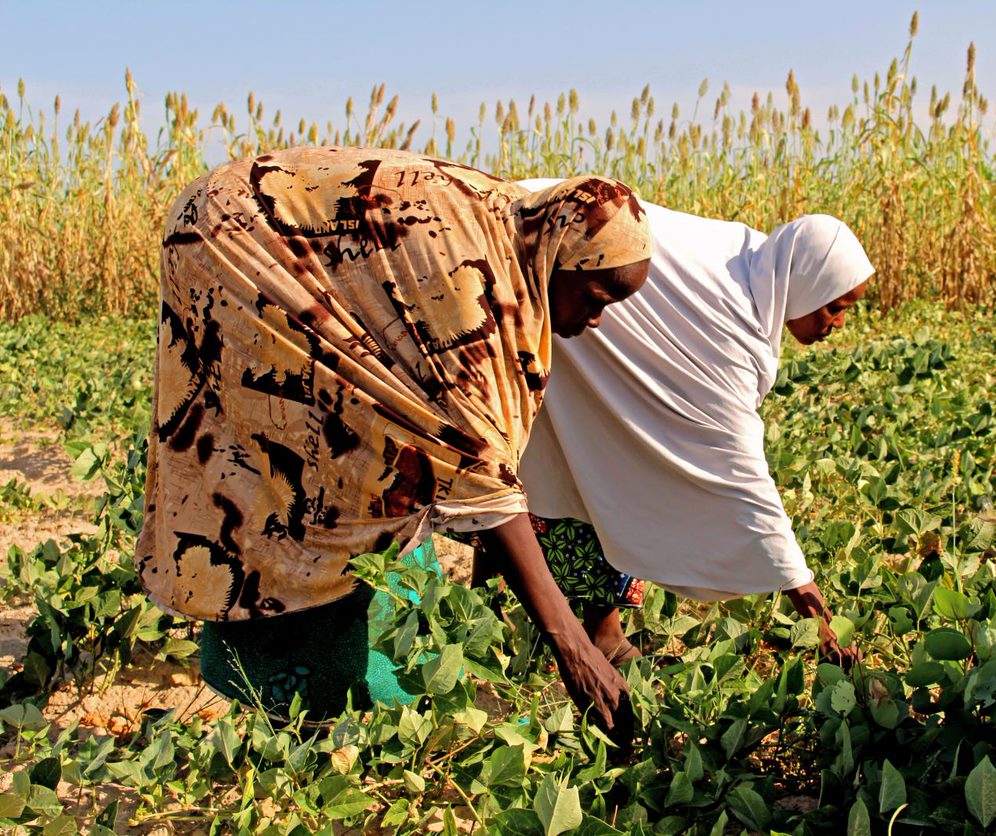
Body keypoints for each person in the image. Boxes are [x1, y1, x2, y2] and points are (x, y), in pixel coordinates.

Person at [135, 148, 651, 738]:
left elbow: (475, 452)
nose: (598, 319)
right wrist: (575, 653)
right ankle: (297, 701)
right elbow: (481, 476)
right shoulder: (470, 279)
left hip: (258, 231)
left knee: (372, 460)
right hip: (231, 241)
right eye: (595, 297)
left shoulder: (516, 241)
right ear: (558, 257)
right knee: (291, 468)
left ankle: (354, 692)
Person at [476, 184, 873, 665]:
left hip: (573, 307)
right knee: (553, 462)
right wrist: (808, 601)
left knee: (616, 469)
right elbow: (741, 476)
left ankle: (590, 632)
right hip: (530, 272)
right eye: (834, 306)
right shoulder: (731, 314)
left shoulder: (750, 264)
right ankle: (509, 622)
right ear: (803, 282)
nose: (837, 324)